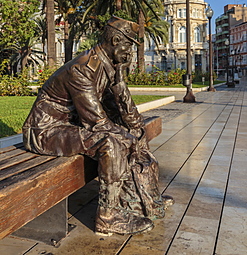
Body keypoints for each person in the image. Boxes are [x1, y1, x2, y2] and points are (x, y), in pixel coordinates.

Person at [23, 16, 173, 236]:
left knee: (133, 132)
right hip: (46, 130)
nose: (130, 52)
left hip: (69, 127)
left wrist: (120, 84)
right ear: (114, 40)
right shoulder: (83, 69)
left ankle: (144, 200)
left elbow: (126, 115)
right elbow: (97, 122)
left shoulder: (108, 67)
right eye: (128, 45)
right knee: (110, 143)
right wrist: (129, 139)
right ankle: (108, 217)